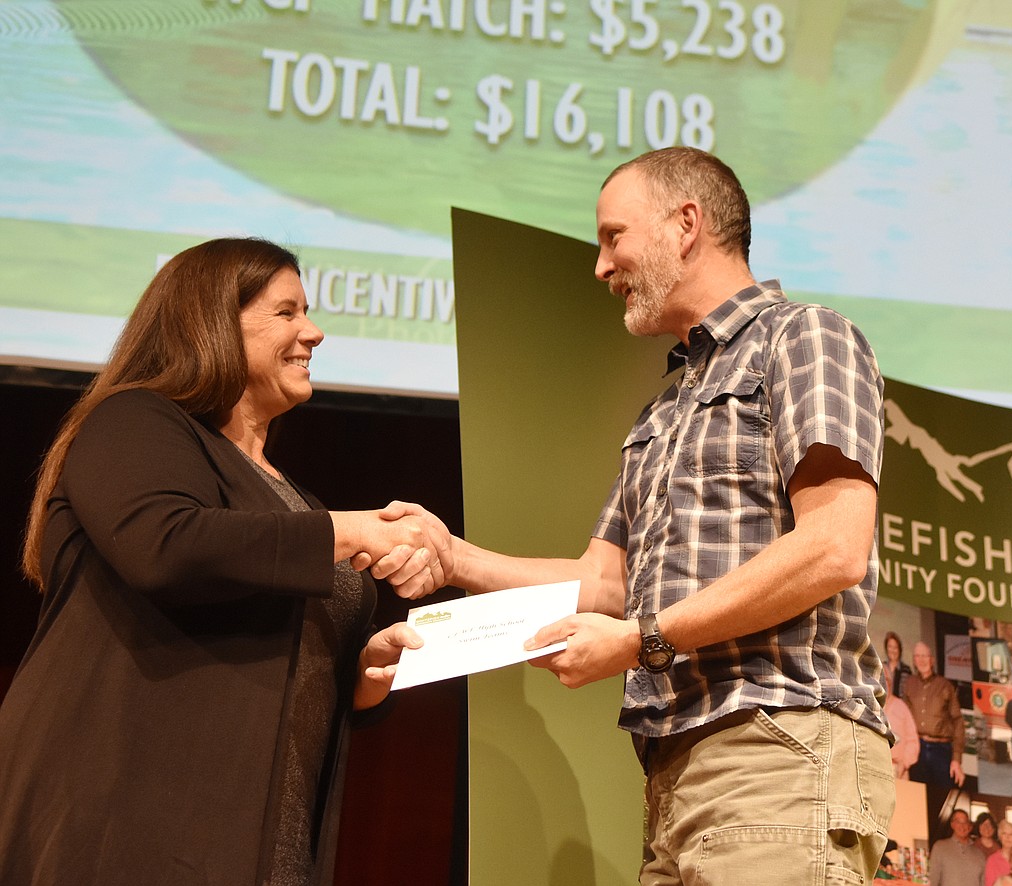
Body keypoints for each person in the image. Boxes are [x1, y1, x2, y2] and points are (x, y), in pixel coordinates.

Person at [375, 147, 897, 883]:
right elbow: (603, 585)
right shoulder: (662, 411)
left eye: (613, 236)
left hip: (780, 744)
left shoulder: (804, 337)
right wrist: (454, 559)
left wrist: (641, 641)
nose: (600, 266)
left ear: (686, 224)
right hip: (675, 775)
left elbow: (834, 549)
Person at [0, 238, 450, 885]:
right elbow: (166, 546)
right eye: (287, 313)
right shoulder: (134, 421)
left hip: (263, 832)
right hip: (130, 821)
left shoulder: (293, 498)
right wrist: (344, 529)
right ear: (209, 322)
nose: (314, 332)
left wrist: (365, 675)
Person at [903, 641, 967, 786]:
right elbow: (904, 718)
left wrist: (956, 759)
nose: (921, 660)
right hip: (916, 749)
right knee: (918, 795)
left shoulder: (945, 685)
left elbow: (957, 721)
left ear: (932, 659)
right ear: (913, 660)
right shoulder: (909, 683)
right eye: (917, 656)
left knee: (941, 793)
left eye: (924, 656)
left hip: (941, 751)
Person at [928, 809, 985, 886]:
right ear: (952, 824)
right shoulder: (940, 847)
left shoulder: (979, 853)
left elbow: (983, 882)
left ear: (969, 826)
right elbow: (933, 879)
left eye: (965, 822)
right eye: (958, 822)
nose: (962, 826)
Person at [887, 692, 921, 778]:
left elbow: (913, 741)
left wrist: (905, 762)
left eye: (887, 680)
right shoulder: (865, 703)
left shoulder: (901, 707)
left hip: (896, 768)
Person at [885, 630, 913, 698]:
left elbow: (908, 694)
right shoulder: (882, 668)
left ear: (899, 649)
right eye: (890, 647)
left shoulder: (906, 670)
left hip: (900, 706)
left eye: (895, 647)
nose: (892, 650)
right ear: (886, 648)